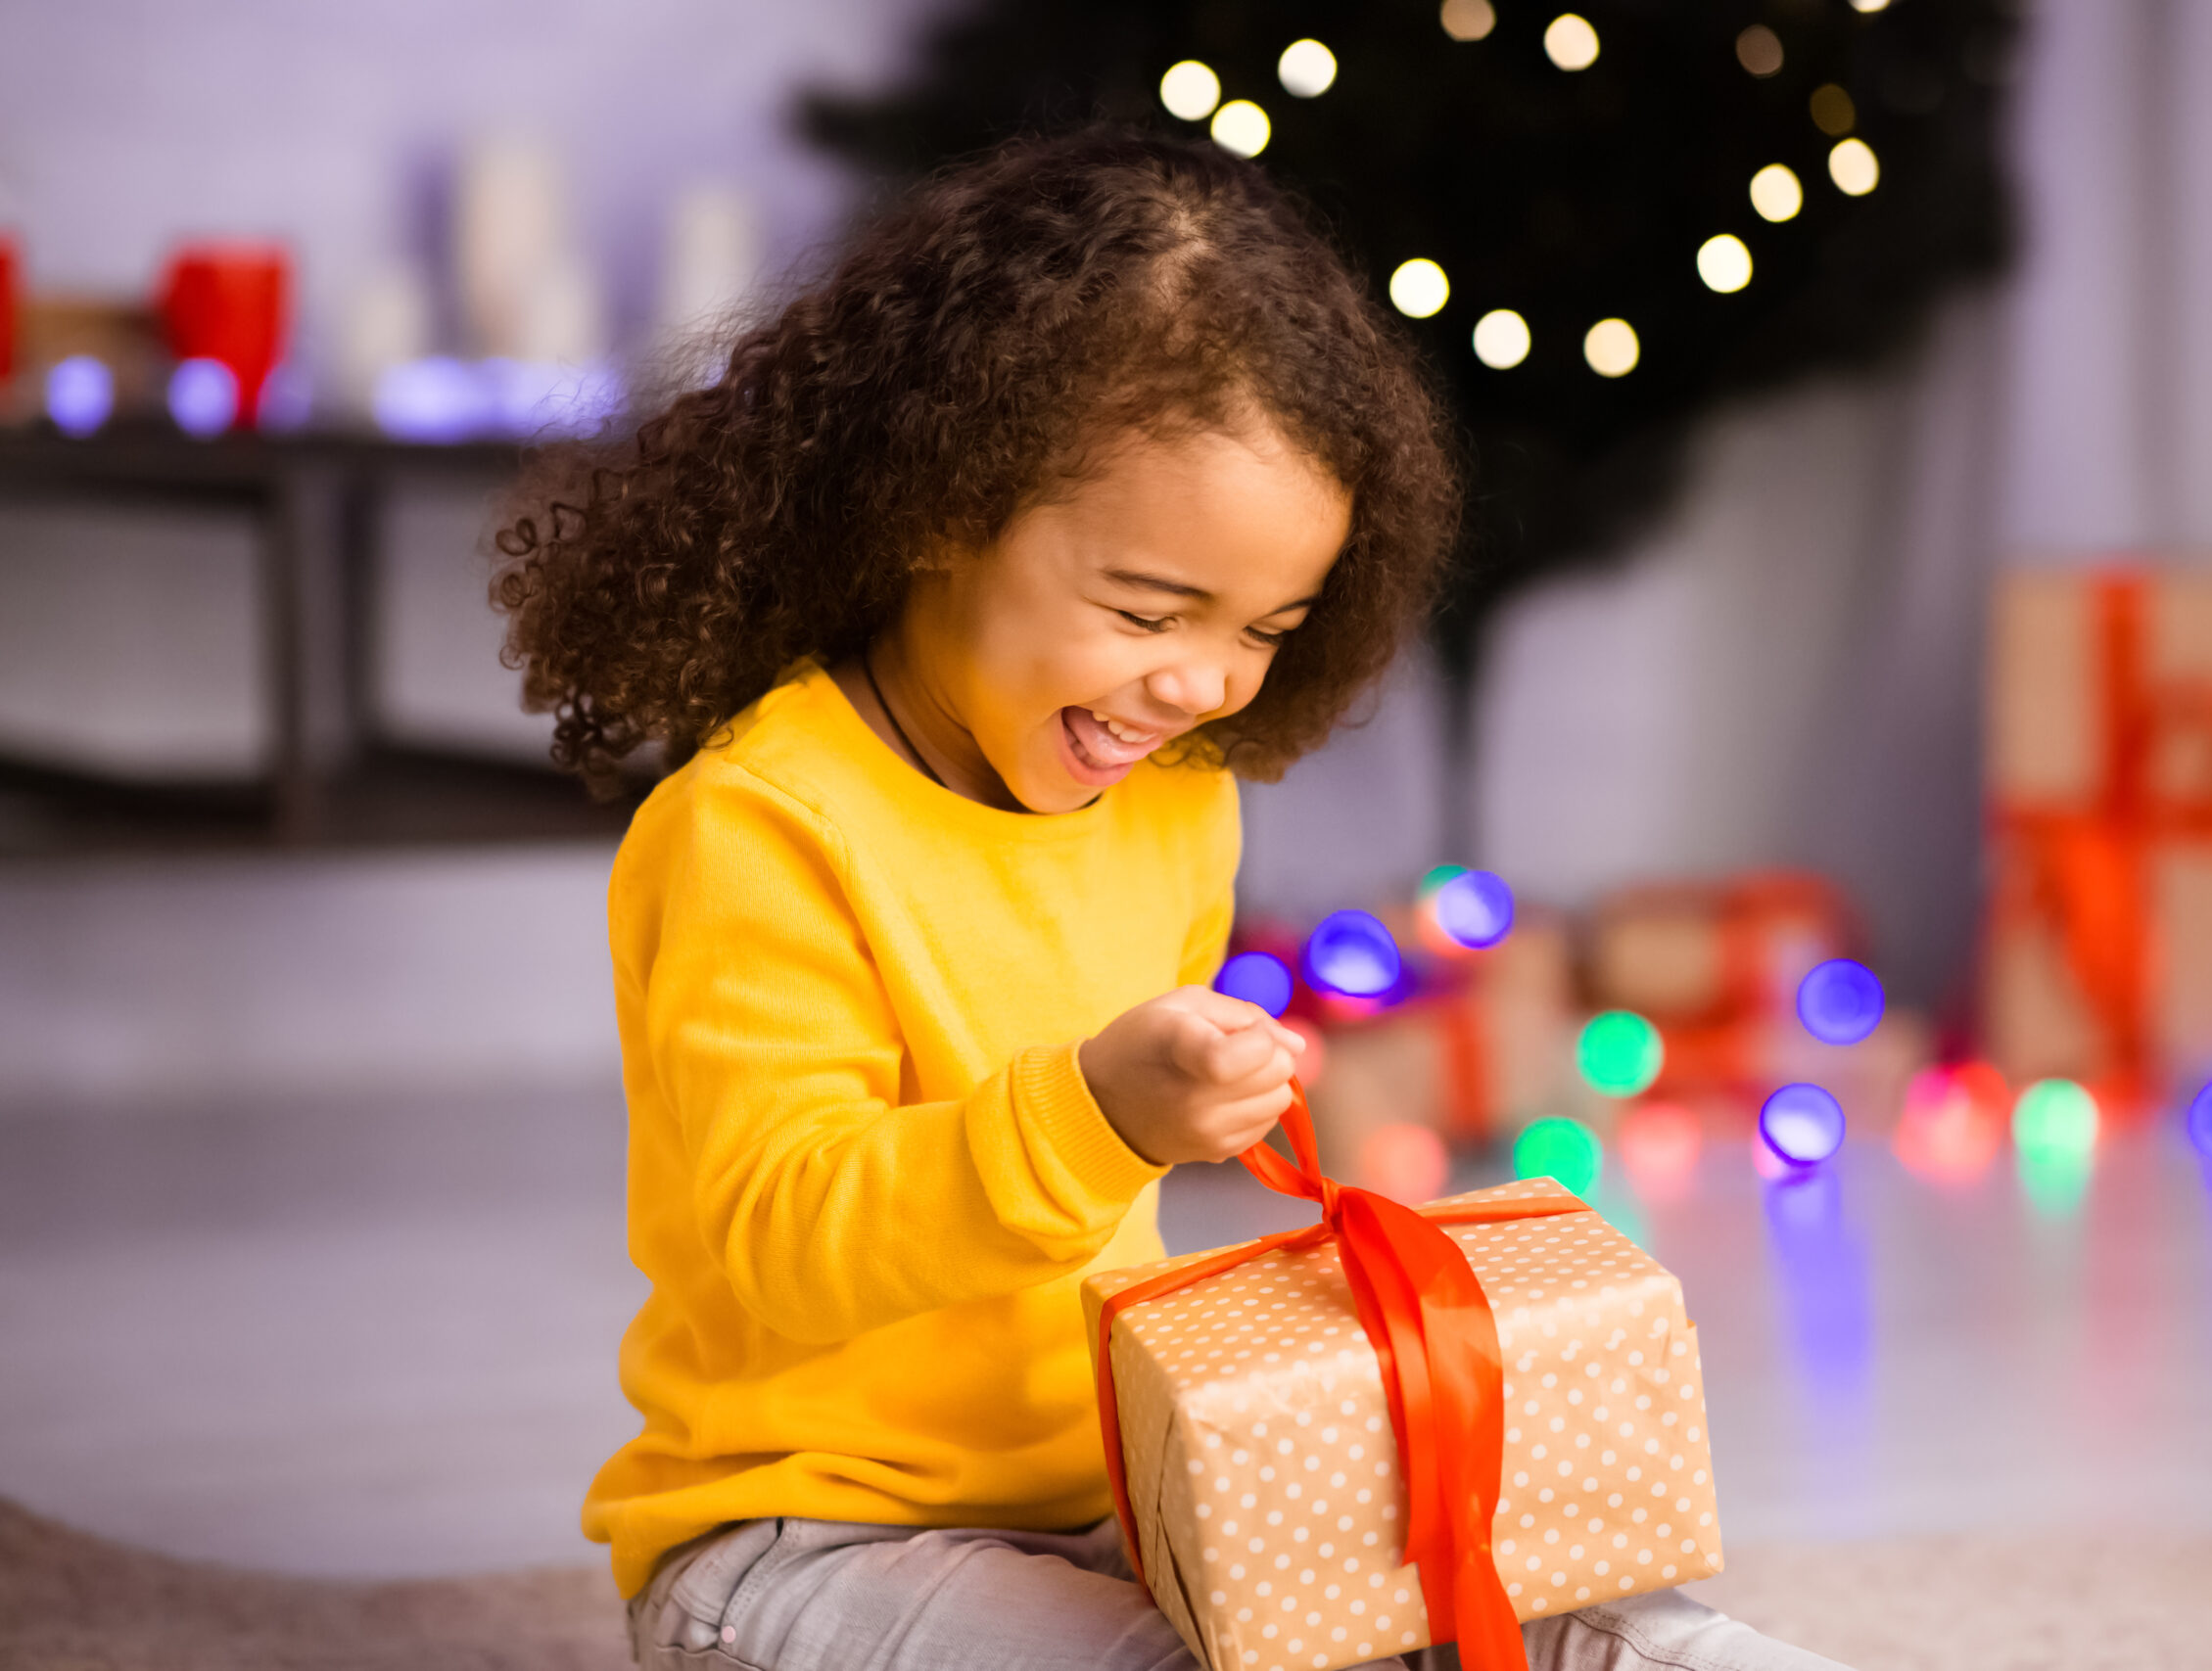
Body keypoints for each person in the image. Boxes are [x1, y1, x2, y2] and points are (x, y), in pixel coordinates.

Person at [496, 128, 1846, 1671]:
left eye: (1266, 627)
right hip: (808, 1545)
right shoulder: (759, 829)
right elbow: (783, 1243)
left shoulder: (1179, 802)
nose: (1202, 682)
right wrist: (1096, 1115)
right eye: (1146, 609)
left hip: (1139, 1495)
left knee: (1583, 1618)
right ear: (945, 505)